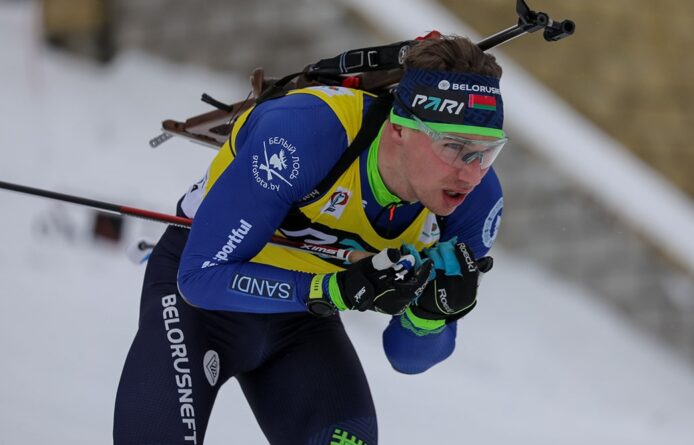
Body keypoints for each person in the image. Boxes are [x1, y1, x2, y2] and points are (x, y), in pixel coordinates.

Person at [113, 34, 506, 445]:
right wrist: (331, 289)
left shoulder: (477, 202)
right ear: (399, 129)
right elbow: (199, 279)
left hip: (302, 322)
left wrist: (430, 316)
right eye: (454, 147)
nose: (470, 172)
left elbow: (406, 358)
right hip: (203, 305)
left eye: (487, 152)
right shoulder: (305, 133)